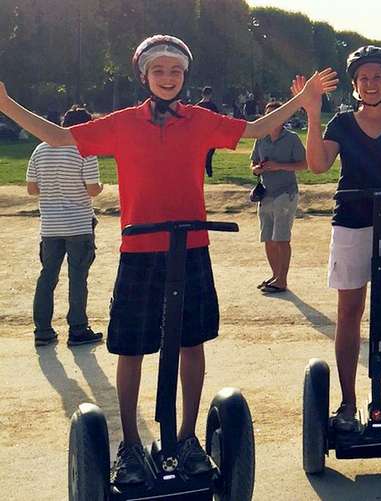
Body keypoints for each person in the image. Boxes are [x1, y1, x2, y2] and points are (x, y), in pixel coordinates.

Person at [0, 34, 337, 485]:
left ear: (185, 76)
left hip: (191, 248)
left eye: (175, 71)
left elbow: (255, 129)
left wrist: (303, 99)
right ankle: (132, 447)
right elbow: (60, 136)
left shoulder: (198, 120)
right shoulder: (122, 123)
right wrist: (6, 104)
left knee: (191, 342)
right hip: (140, 250)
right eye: (158, 70)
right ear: (144, 75)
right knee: (131, 347)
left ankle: (186, 437)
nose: (167, 78)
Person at [293, 45, 381, 432]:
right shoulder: (341, 123)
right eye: (364, 78)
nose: (371, 84)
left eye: (377, 77)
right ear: (354, 84)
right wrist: (313, 115)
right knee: (349, 313)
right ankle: (349, 402)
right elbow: (319, 166)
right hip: (352, 220)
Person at [27, 106, 104, 347]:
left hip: (50, 226)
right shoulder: (85, 151)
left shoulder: (39, 150)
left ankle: (43, 329)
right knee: (78, 277)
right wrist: (101, 187)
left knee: (47, 276)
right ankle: (78, 328)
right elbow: (92, 189)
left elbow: (31, 189)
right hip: (79, 223)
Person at [251, 100, 307, 293]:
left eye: (277, 114)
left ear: (284, 117)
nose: (272, 118)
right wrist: (257, 169)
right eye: (269, 114)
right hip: (265, 193)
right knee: (267, 237)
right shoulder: (260, 138)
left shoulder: (292, 139)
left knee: (282, 238)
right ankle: (275, 276)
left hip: (286, 192)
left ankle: (282, 280)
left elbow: (304, 164)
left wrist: (279, 166)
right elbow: (253, 163)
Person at [195, 86, 220, 176]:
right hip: (210, 132)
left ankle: (203, 170)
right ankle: (209, 171)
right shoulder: (212, 106)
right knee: (209, 153)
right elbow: (217, 119)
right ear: (210, 95)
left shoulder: (197, 106)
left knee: (202, 153)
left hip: (200, 133)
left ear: (202, 94)